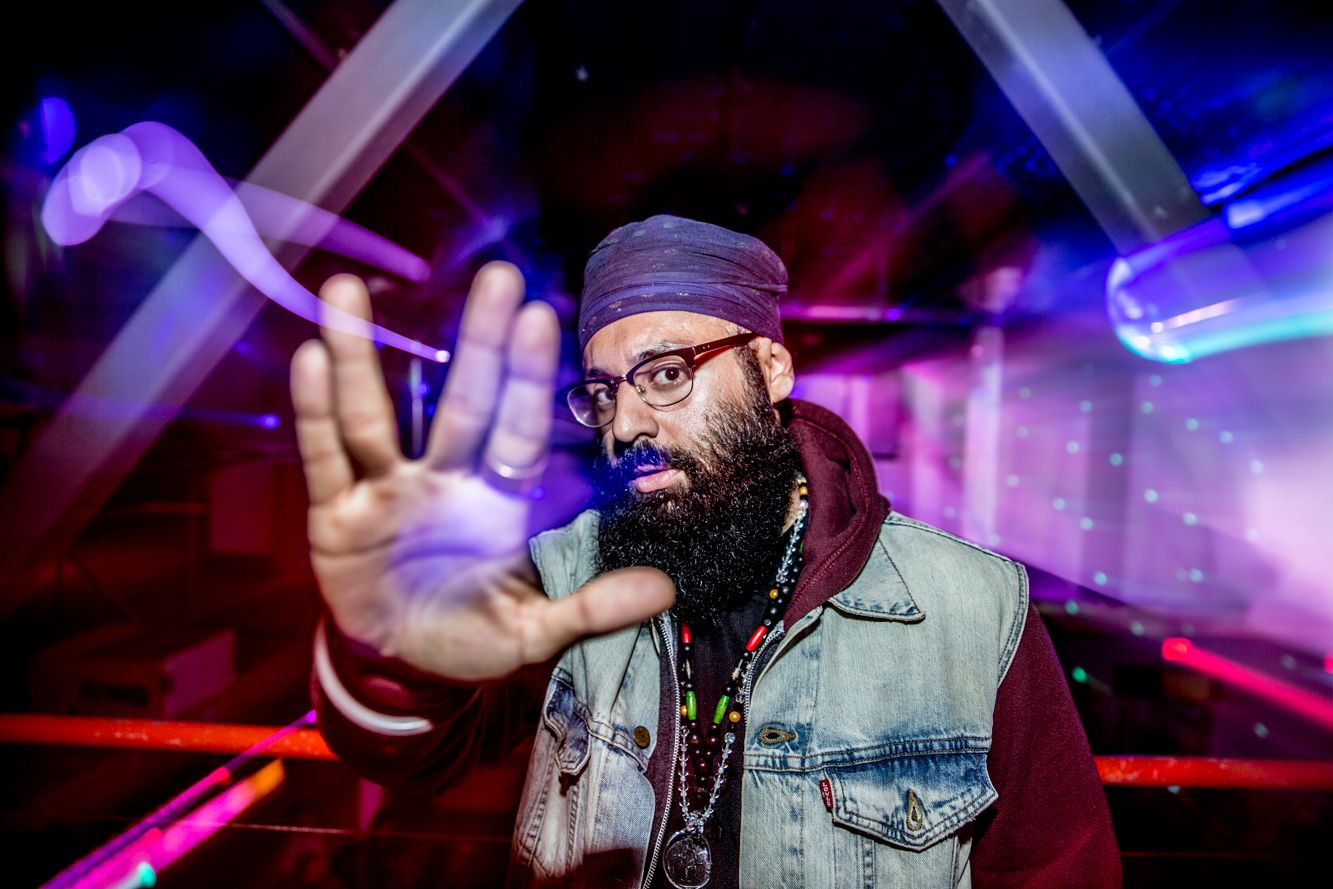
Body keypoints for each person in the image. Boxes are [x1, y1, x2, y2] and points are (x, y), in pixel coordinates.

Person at [291, 215, 1121, 888]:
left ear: (770, 367)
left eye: (665, 374)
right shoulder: (564, 574)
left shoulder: (971, 606)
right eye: (604, 392)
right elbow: (416, 753)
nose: (626, 424)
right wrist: (390, 653)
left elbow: (1055, 869)